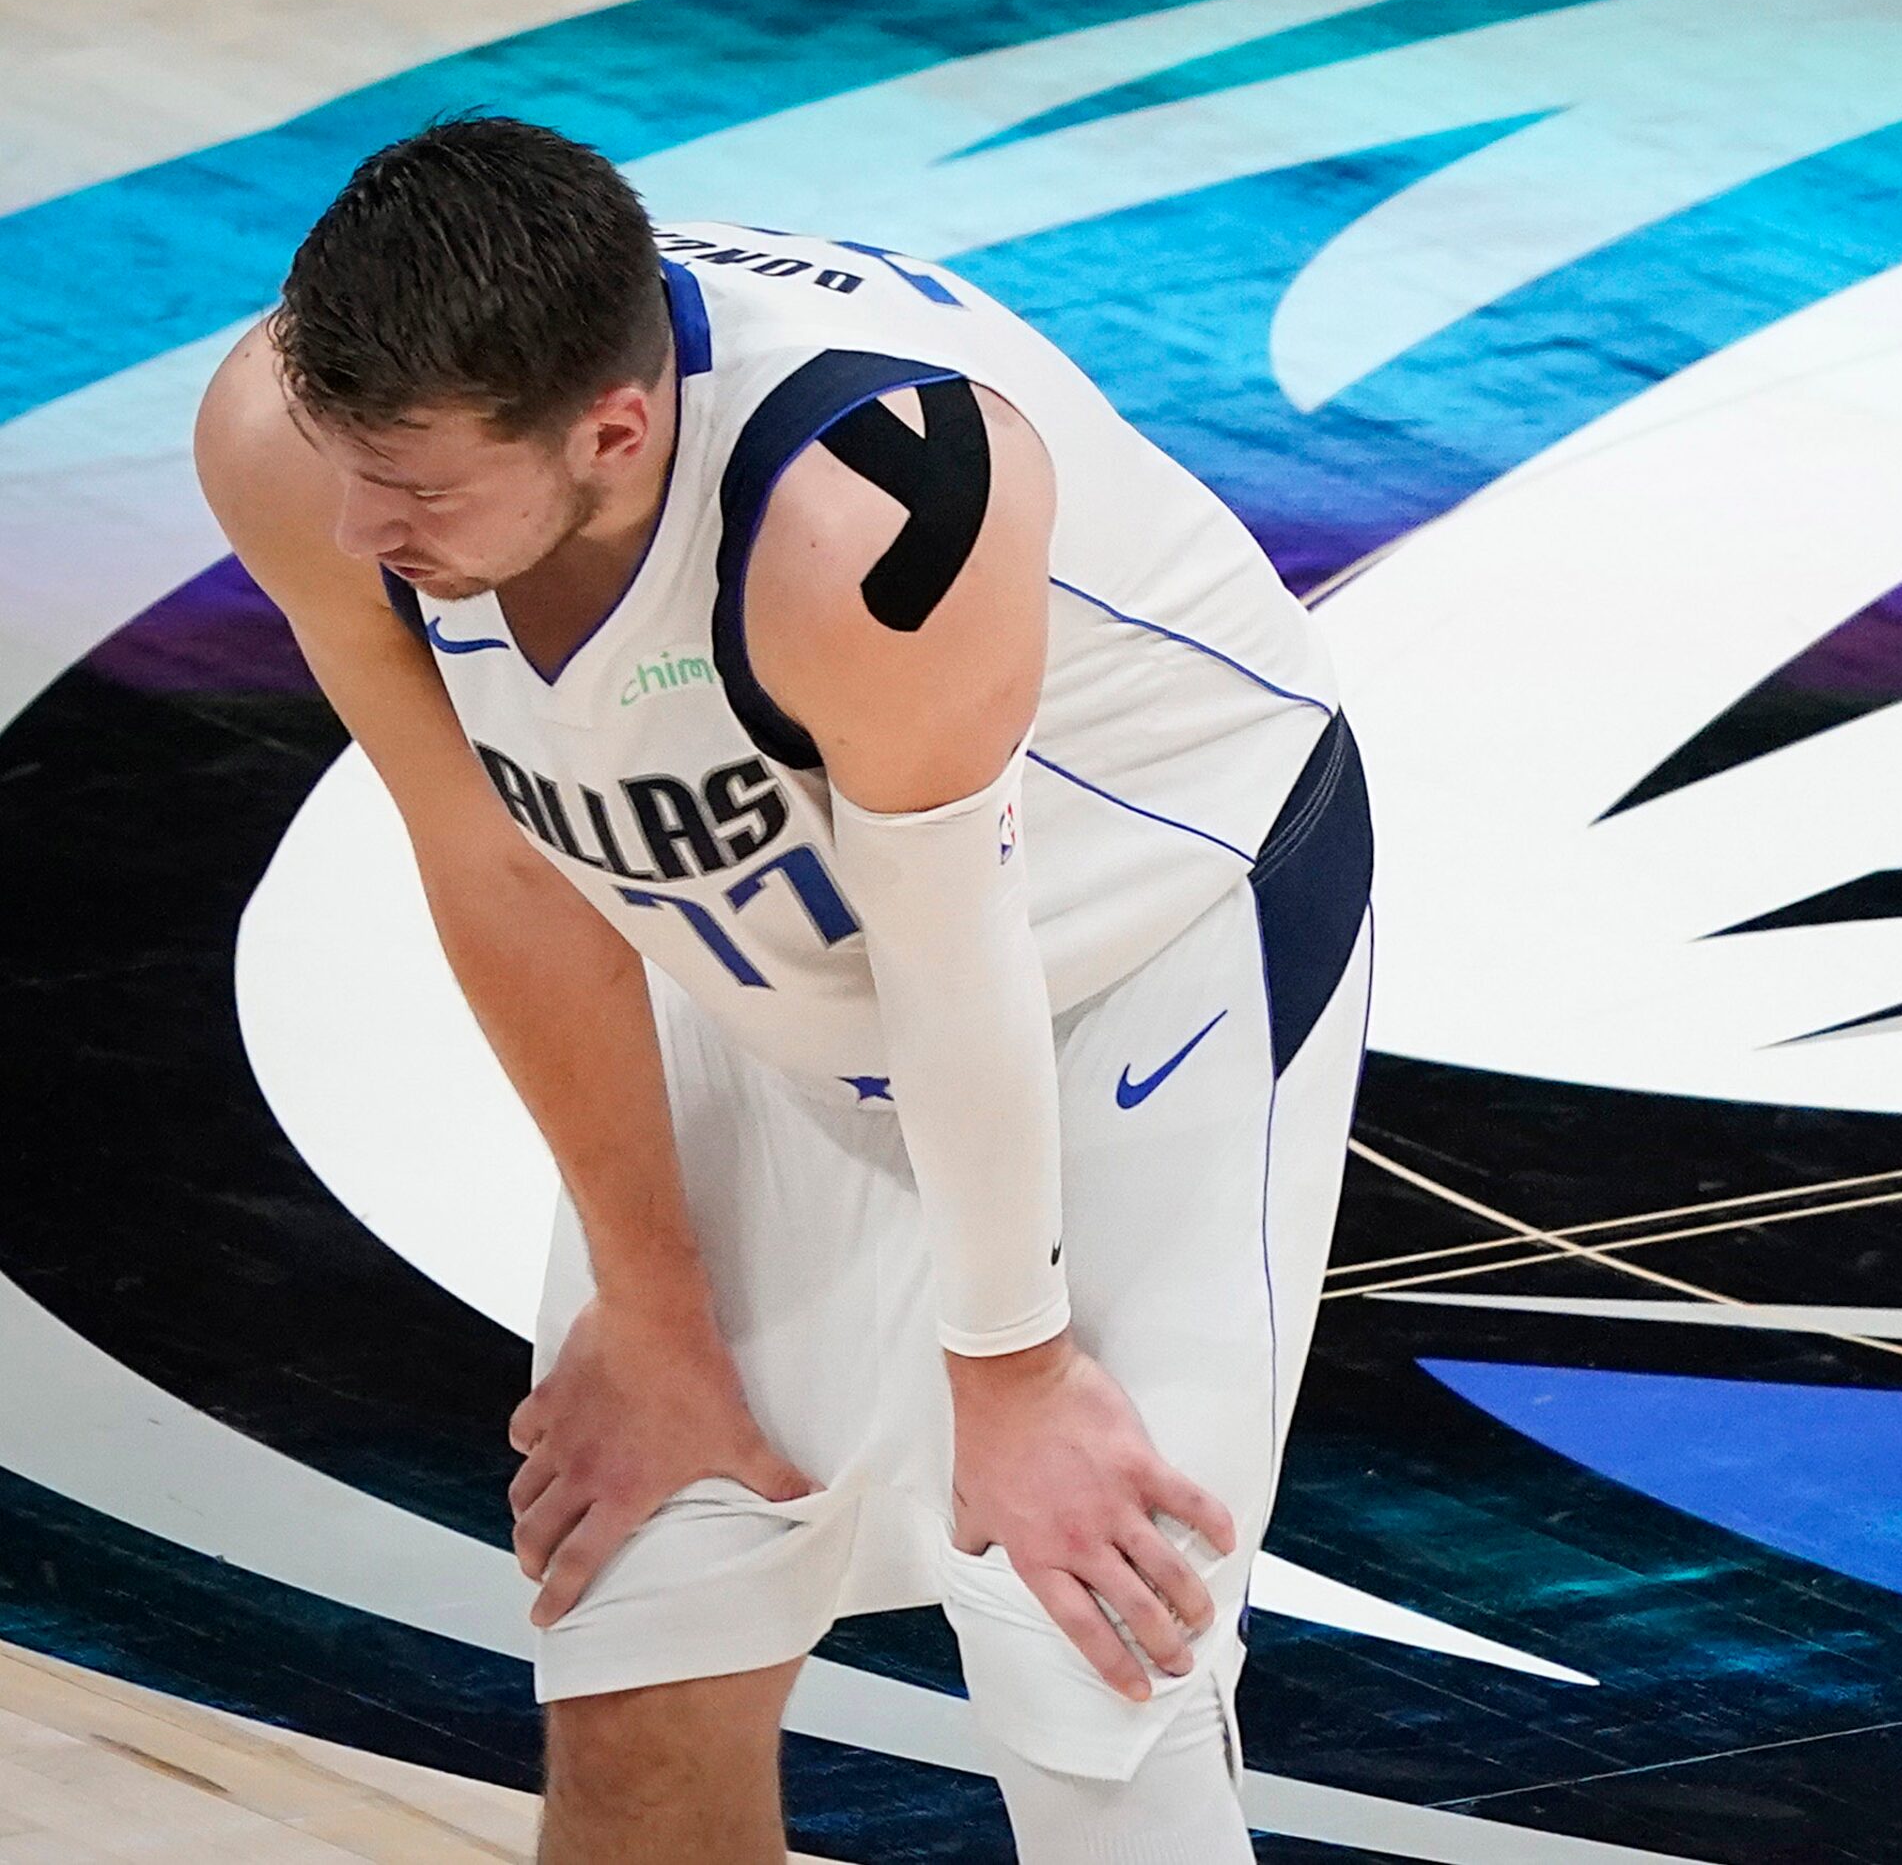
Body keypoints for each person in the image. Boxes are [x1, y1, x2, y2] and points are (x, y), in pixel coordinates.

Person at [192, 116, 1372, 1864]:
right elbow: (503, 863)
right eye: (346, 459)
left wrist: (1018, 1374)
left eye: (422, 492)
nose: (362, 526)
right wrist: (653, 1317)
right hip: (758, 945)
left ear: (614, 424)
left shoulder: (871, 501)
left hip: (1136, 942)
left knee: (1089, 1661)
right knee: (643, 1639)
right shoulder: (297, 446)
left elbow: (950, 956)